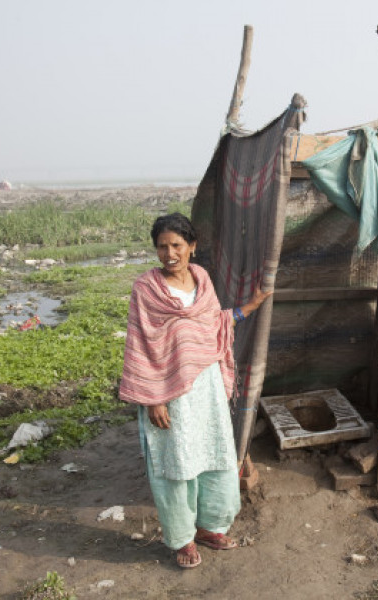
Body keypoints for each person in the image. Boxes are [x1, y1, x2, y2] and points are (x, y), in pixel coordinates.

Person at [119, 213, 272, 569]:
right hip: (168, 392)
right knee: (177, 462)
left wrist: (251, 306)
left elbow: (214, 322)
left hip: (206, 388)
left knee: (213, 454)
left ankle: (209, 527)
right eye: (161, 246)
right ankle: (182, 538)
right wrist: (153, 398)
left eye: (176, 245)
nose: (169, 253)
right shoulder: (146, 288)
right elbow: (140, 343)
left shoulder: (202, 279)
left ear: (192, 247)